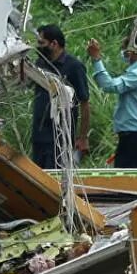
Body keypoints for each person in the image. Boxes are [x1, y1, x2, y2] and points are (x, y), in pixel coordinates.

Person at [86, 36, 137, 167]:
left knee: (131, 181)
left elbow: (109, 86)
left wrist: (96, 59)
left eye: (124, 49)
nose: (123, 52)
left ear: (132, 51)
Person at [29, 24, 90, 168]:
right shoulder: (40, 64)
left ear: (54, 43)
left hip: (60, 137)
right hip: (39, 136)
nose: (38, 47)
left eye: (42, 43)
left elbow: (85, 103)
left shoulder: (74, 67)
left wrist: (82, 137)